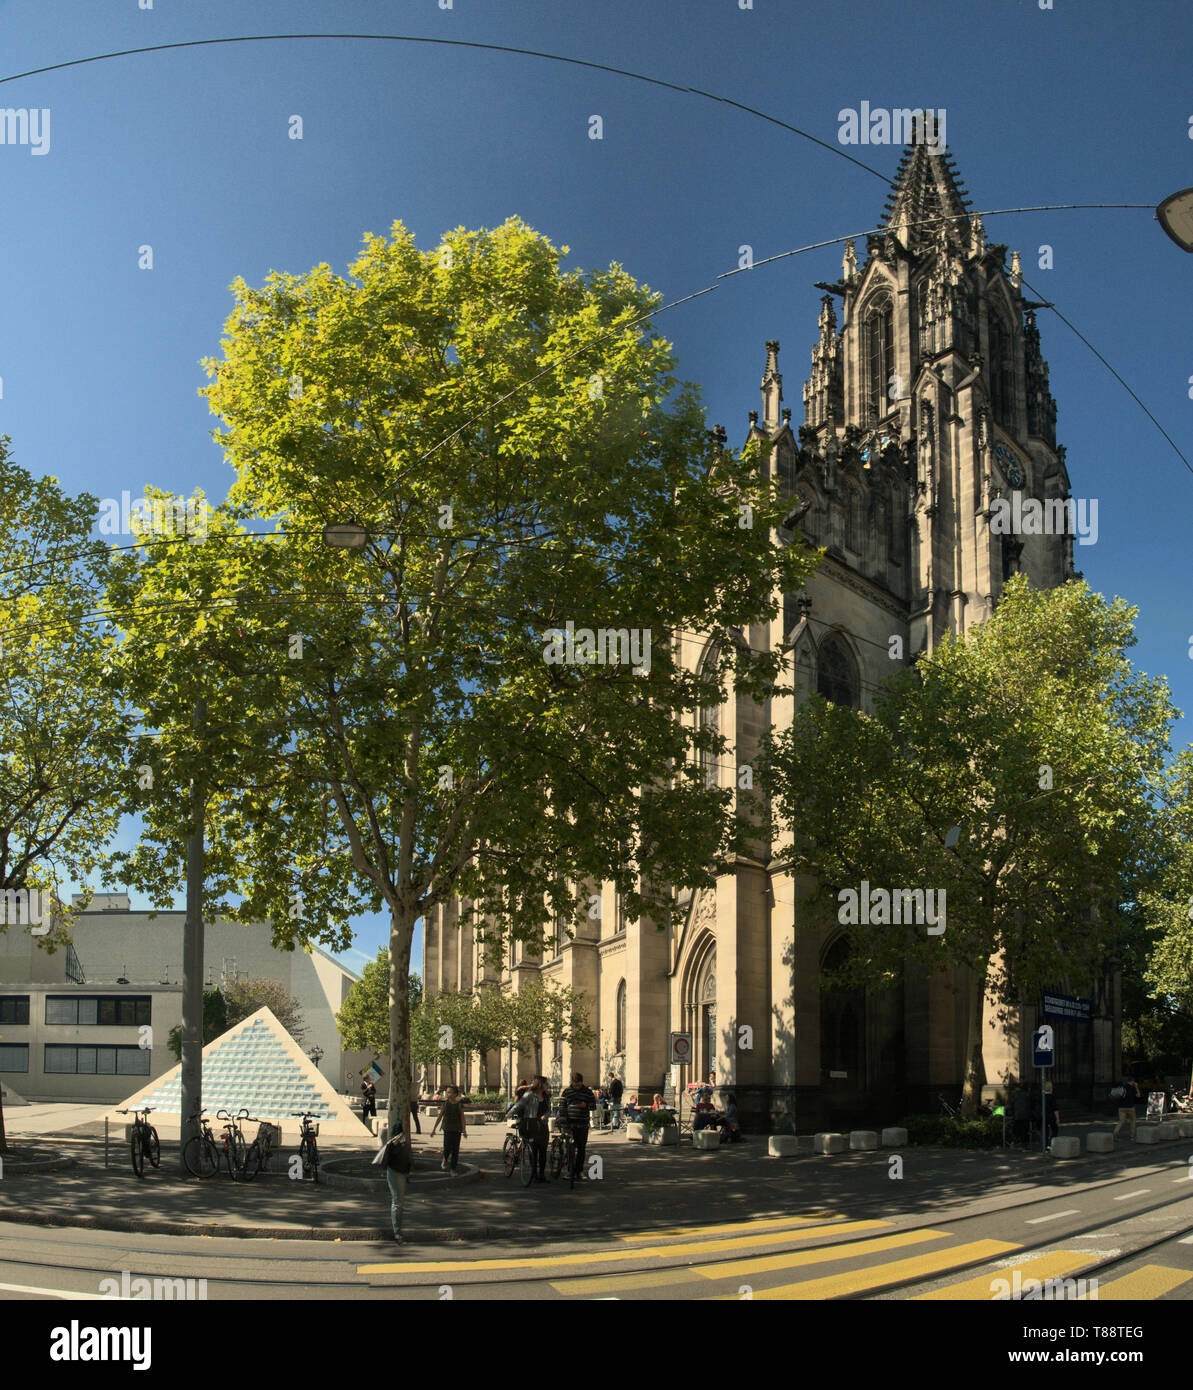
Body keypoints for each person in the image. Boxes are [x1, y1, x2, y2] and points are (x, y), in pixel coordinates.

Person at [371, 1123, 413, 1245]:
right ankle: (397, 1232)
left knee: (398, 1203)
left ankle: (398, 1232)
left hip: (398, 1173)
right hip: (397, 1173)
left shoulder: (397, 1143)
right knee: (398, 1203)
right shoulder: (397, 1144)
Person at [560, 1072, 597, 1180]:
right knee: (570, 1148)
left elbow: (593, 1106)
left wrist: (586, 1105)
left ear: (581, 1082)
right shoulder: (567, 1092)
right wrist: (563, 1117)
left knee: (581, 1149)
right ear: (572, 1082)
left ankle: (579, 1171)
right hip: (570, 1124)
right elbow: (562, 1105)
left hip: (583, 1123)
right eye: (575, 1085)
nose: (577, 1087)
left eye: (578, 1085)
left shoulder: (587, 1092)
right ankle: (570, 1171)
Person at [429, 1085, 467, 1174]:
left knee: (455, 1150)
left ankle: (453, 1169)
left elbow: (462, 1117)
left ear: (455, 1094)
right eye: (447, 1092)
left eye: (450, 1092)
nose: (448, 1094)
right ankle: (445, 1158)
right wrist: (434, 1129)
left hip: (457, 1129)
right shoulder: (446, 1103)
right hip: (447, 1128)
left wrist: (464, 1130)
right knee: (447, 1148)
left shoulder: (459, 1104)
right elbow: (440, 1116)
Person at [1112, 1073, 1141, 1139]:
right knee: (1133, 1121)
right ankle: (1132, 1135)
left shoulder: (1122, 1087)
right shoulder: (1132, 1088)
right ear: (1132, 1081)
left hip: (1121, 1107)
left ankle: (1115, 1133)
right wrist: (1136, 1087)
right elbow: (1138, 1095)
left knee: (1121, 1121)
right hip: (1130, 1107)